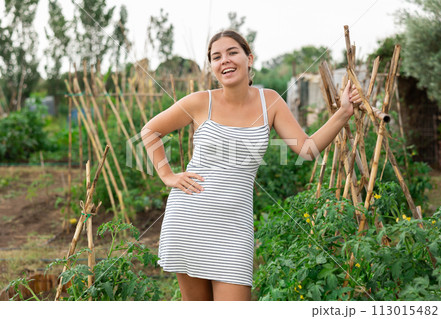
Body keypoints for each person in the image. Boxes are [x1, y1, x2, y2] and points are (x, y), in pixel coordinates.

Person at [141, 29, 362, 301]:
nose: (225, 61)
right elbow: (150, 131)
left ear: (249, 58)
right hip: (191, 218)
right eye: (216, 57)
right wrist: (167, 175)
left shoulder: (270, 102)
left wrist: (343, 113)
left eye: (232, 52)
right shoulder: (200, 102)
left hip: (235, 225)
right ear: (212, 67)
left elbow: (307, 149)